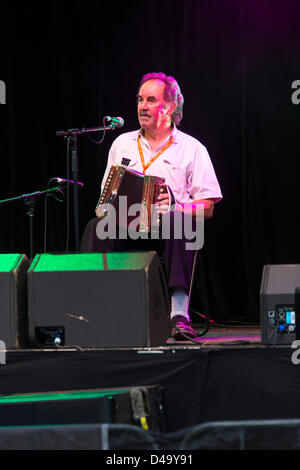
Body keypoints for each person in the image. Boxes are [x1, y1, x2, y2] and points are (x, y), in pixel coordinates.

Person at [80, 72, 222, 340]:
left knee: (180, 222)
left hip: (166, 231)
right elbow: (105, 197)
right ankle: (93, 309)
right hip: (126, 227)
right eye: (140, 99)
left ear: (170, 106)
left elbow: (209, 207)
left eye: (151, 100)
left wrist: (177, 207)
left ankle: (179, 315)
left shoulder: (192, 149)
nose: (142, 106)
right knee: (96, 226)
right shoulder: (122, 143)